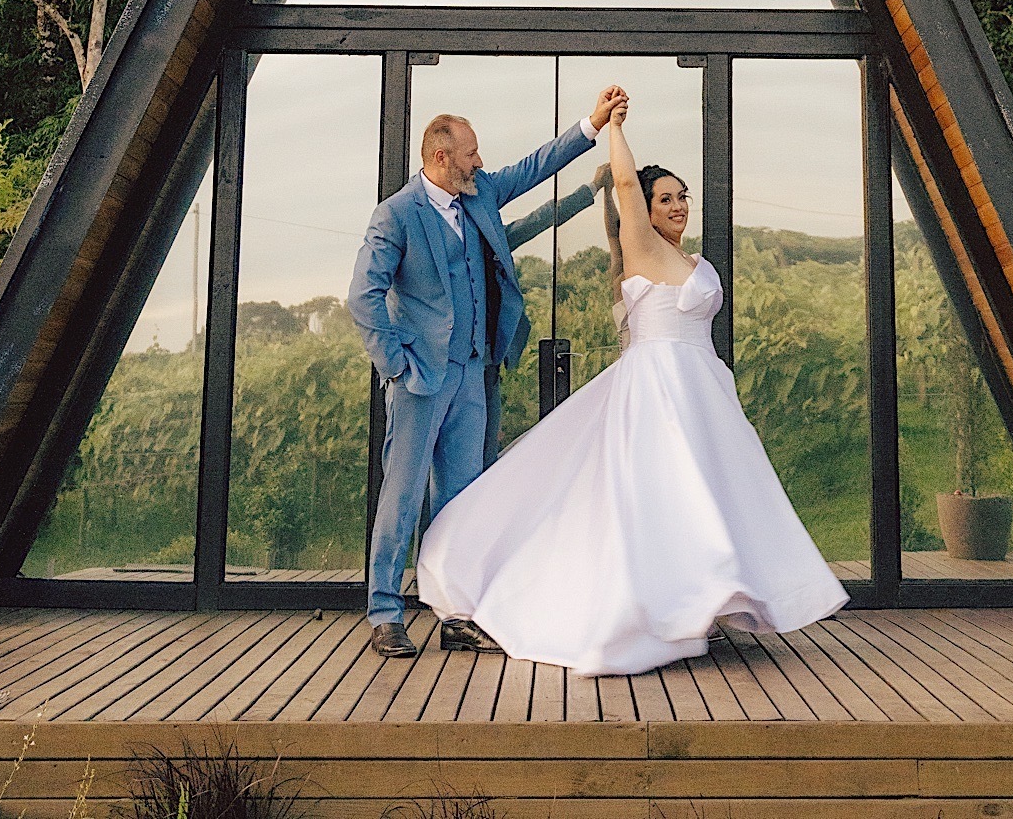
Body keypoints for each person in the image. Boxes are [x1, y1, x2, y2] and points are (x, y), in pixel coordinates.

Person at [416, 98, 849, 676]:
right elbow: (623, 181)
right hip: (658, 391)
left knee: (714, 498)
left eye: (682, 196)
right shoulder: (642, 252)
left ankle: (705, 603)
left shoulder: (690, 258)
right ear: (643, 212)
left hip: (702, 392)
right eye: (665, 198)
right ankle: (660, 611)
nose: (678, 206)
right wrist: (613, 127)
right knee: (662, 500)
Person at [347, 87, 627, 659]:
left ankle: (455, 613)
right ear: (440, 157)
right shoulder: (396, 215)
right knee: (401, 497)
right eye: (471, 153)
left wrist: (590, 125)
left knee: (463, 498)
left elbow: (533, 167)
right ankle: (384, 611)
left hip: (474, 373)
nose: (481, 162)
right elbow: (363, 298)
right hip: (421, 379)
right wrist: (397, 364)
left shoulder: (478, 195)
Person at [485, 162, 612, 467]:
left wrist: (593, 187)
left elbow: (540, 219)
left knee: (485, 456)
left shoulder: (490, 241)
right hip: (446, 370)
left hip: (488, 368)